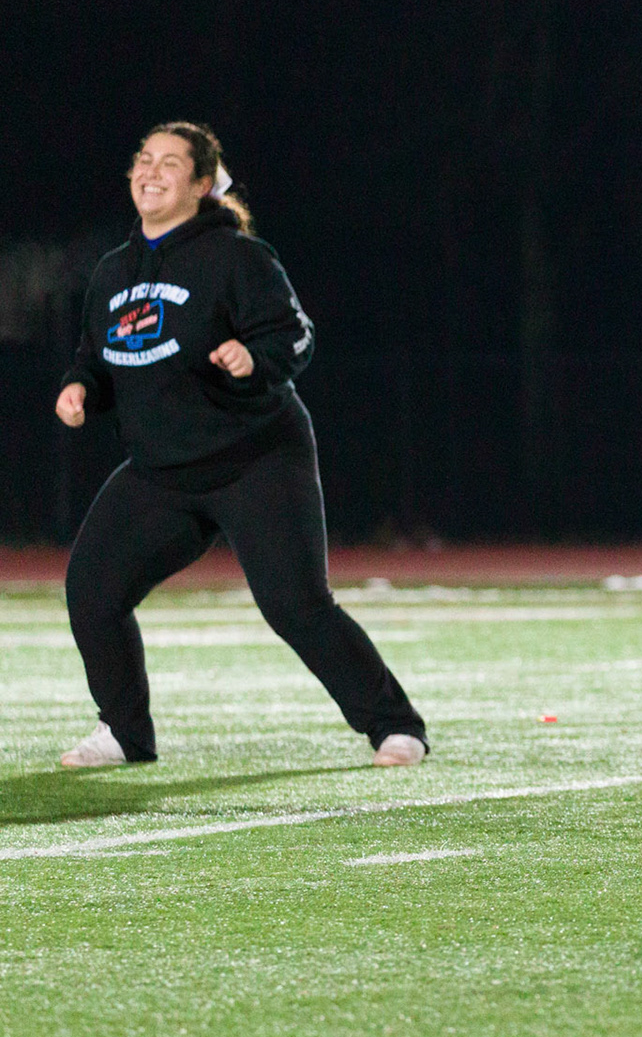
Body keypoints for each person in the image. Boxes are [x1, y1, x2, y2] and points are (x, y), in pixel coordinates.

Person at [55, 122, 428, 769]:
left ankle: (396, 726)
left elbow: (296, 336)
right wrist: (79, 386)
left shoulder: (237, 257)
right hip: (161, 471)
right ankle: (124, 732)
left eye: (170, 163)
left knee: (295, 606)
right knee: (92, 591)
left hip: (255, 458)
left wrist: (253, 358)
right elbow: (97, 355)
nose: (151, 171)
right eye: (144, 159)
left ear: (202, 184)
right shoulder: (112, 272)